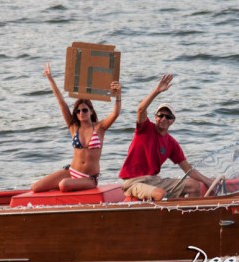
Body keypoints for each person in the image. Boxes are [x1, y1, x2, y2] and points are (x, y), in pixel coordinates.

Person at [118, 74, 212, 201]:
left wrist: (208, 181)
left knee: (193, 185)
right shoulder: (145, 128)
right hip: (133, 182)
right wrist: (157, 91)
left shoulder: (172, 143)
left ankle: (189, 217)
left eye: (168, 117)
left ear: (172, 121)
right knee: (160, 194)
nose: (163, 119)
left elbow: (188, 169)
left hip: (154, 180)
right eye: (161, 115)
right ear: (155, 117)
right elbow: (140, 110)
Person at [30, 62, 122, 192]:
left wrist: (118, 94)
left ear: (91, 111)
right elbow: (62, 103)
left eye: (84, 110)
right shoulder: (73, 127)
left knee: (64, 185)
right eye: (78, 111)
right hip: (72, 171)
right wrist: (50, 79)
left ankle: (68, 186)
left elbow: (116, 113)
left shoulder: (100, 127)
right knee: (36, 187)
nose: (81, 113)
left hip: (89, 178)